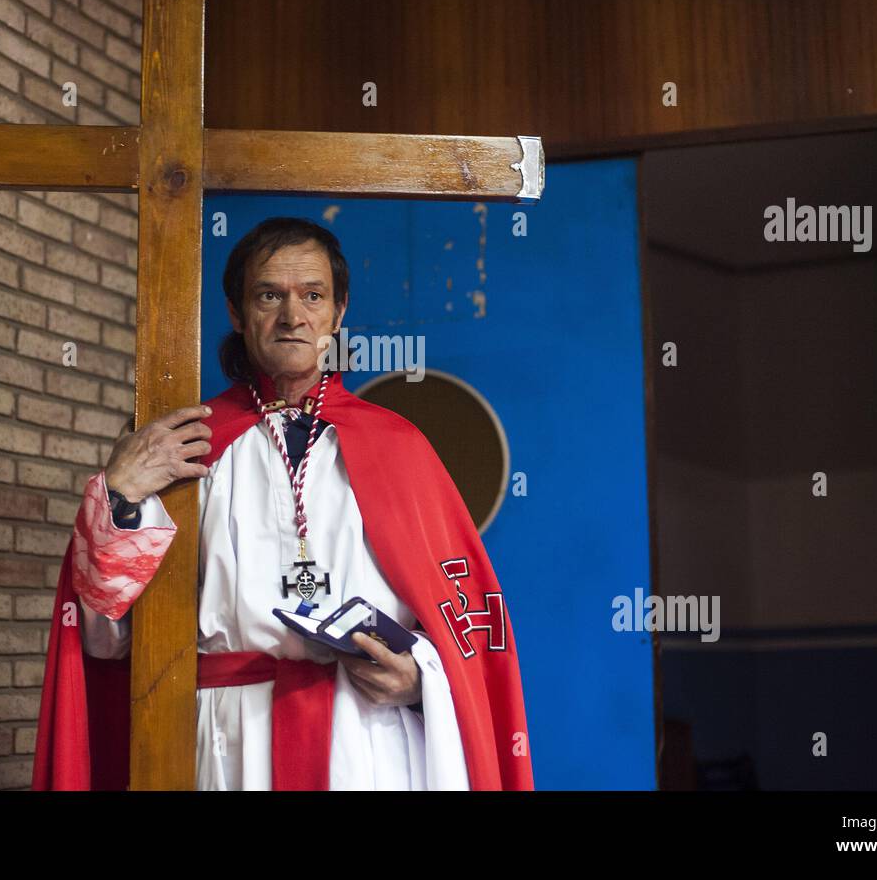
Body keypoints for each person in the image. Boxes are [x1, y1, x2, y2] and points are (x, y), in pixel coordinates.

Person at [33, 217, 533, 790]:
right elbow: (106, 637)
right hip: (226, 742)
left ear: (338, 313)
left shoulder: (400, 448)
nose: (293, 317)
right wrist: (119, 496)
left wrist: (421, 680)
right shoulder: (188, 446)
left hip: (367, 741)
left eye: (313, 296)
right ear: (237, 311)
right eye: (270, 295)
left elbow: (467, 630)